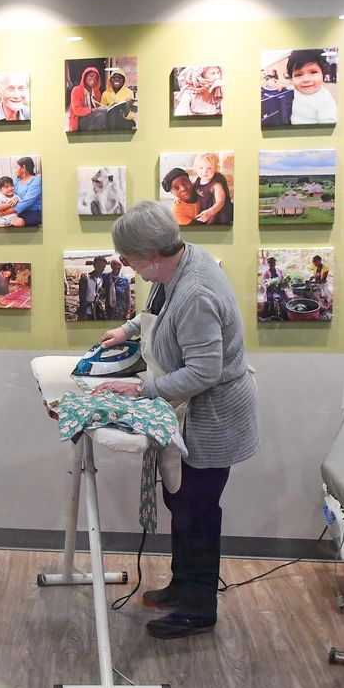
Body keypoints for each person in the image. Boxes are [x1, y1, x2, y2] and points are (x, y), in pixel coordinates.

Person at [94, 201, 258, 639]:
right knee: (180, 504)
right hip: (190, 414)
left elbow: (204, 372)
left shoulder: (197, 292)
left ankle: (198, 608)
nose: (128, 268)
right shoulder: (179, 263)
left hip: (212, 418)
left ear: (151, 255)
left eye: (129, 261)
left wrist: (140, 389)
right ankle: (183, 585)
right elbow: (158, 311)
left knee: (198, 511)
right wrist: (128, 332)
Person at [287, 49, 337, 125]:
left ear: (323, 73)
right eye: (299, 75)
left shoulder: (325, 101)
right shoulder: (294, 90)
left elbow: (328, 128)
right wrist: (279, 89)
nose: (306, 80)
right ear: (292, 78)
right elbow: (285, 91)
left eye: (313, 72)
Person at [191, 153, 233, 225]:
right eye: (201, 168)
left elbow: (220, 202)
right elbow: (190, 187)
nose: (205, 171)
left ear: (216, 168)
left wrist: (209, 212)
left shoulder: (216, 184)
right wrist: (178, 197)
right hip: (204, 210)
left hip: (217, 213)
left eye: (209, 168)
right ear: (196, 169)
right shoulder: (199, 179)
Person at [77, 256, 113, 320]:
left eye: (103, 266)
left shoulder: (101, 279)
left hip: (95, 308)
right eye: (99, 265)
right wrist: (83, 311)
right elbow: (81, 296)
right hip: (86, 309)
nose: (101, 268)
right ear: (94, 265)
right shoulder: (86, 278)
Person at [67, 66, 101, 132]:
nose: (93, 78)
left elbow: (98, 107)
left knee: (103, 116)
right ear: (84, 76)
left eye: (95, 78)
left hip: (93, 119)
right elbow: (77, 110)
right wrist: (93, 110)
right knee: (101, 116)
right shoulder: (76, 90)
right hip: (78, 121)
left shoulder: (97, 92)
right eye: (91, 76)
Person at [10, 157, 42, 226]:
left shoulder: (36, 180)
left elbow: (27, 201)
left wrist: (4, 212)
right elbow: (11, 196)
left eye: (16, 167)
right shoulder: (17, 181)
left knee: (15, 223)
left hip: (33, 212)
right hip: (19, 211)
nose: (15, 170)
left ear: (23, 168)